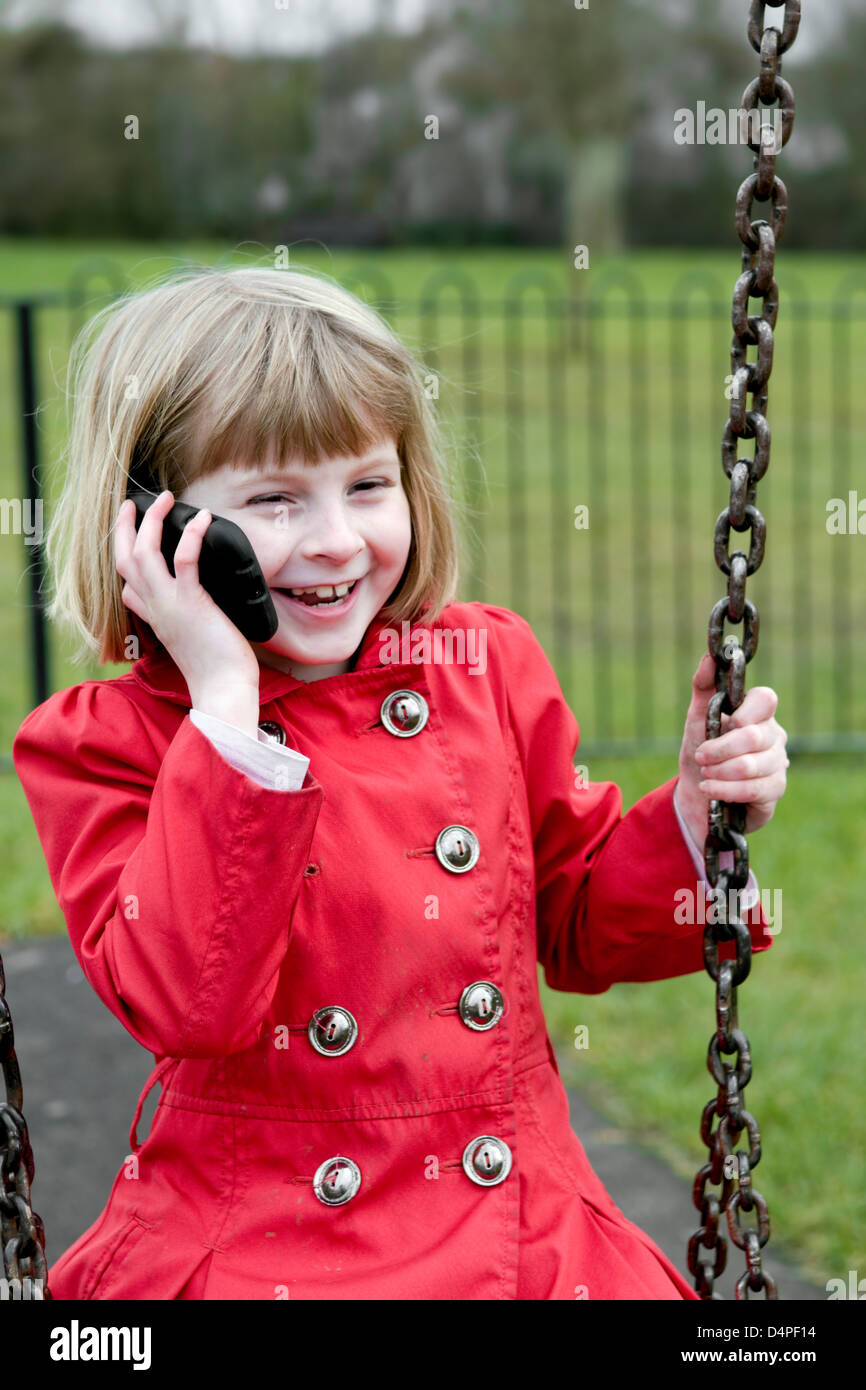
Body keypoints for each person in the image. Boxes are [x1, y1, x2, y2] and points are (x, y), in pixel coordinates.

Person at [12, 265, 788, 1300]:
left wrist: (697, 814)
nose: (335, 539)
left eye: (366, 485)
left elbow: (569, 914)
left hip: (520, 1231)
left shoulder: (483, 667)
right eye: (274, 499)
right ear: (152, 525)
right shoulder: (107, 744)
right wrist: (225, 710)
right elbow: (189, 1002)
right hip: (264, 1243)